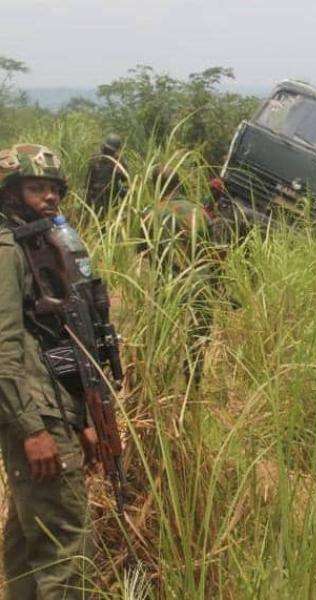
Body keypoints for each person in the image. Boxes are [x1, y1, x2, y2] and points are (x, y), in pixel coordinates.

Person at [0, 144, 96, 599]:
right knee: (65, 546)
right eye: (37, 187)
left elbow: (51, 341)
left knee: (27, 541)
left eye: (54, 188)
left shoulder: (33, 244)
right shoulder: (6, 250)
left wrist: (81, 420)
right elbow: (4, 347)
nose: (50, 197)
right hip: (33, 413)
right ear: (11, 193)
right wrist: (31, 429)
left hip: (51, 406)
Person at [142, 165, 223, 386]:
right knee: (197, 340)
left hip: (166, 285)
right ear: (179, 184)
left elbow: (140, 250)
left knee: (155, 336)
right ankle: (192, 386)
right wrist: (217, 288)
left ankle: (150, 380)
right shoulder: (200, 212)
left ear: (156, 186)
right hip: (198, 284)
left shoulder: (150, 213)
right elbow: (212, 254)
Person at [85, 134, 129, 216]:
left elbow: (125, 179)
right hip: (96, 198)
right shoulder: (95, 160)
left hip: (111, 199)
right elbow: (88, 182)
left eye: (110, 151)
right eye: (107, 150)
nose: (108, 153)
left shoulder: (119, 162)